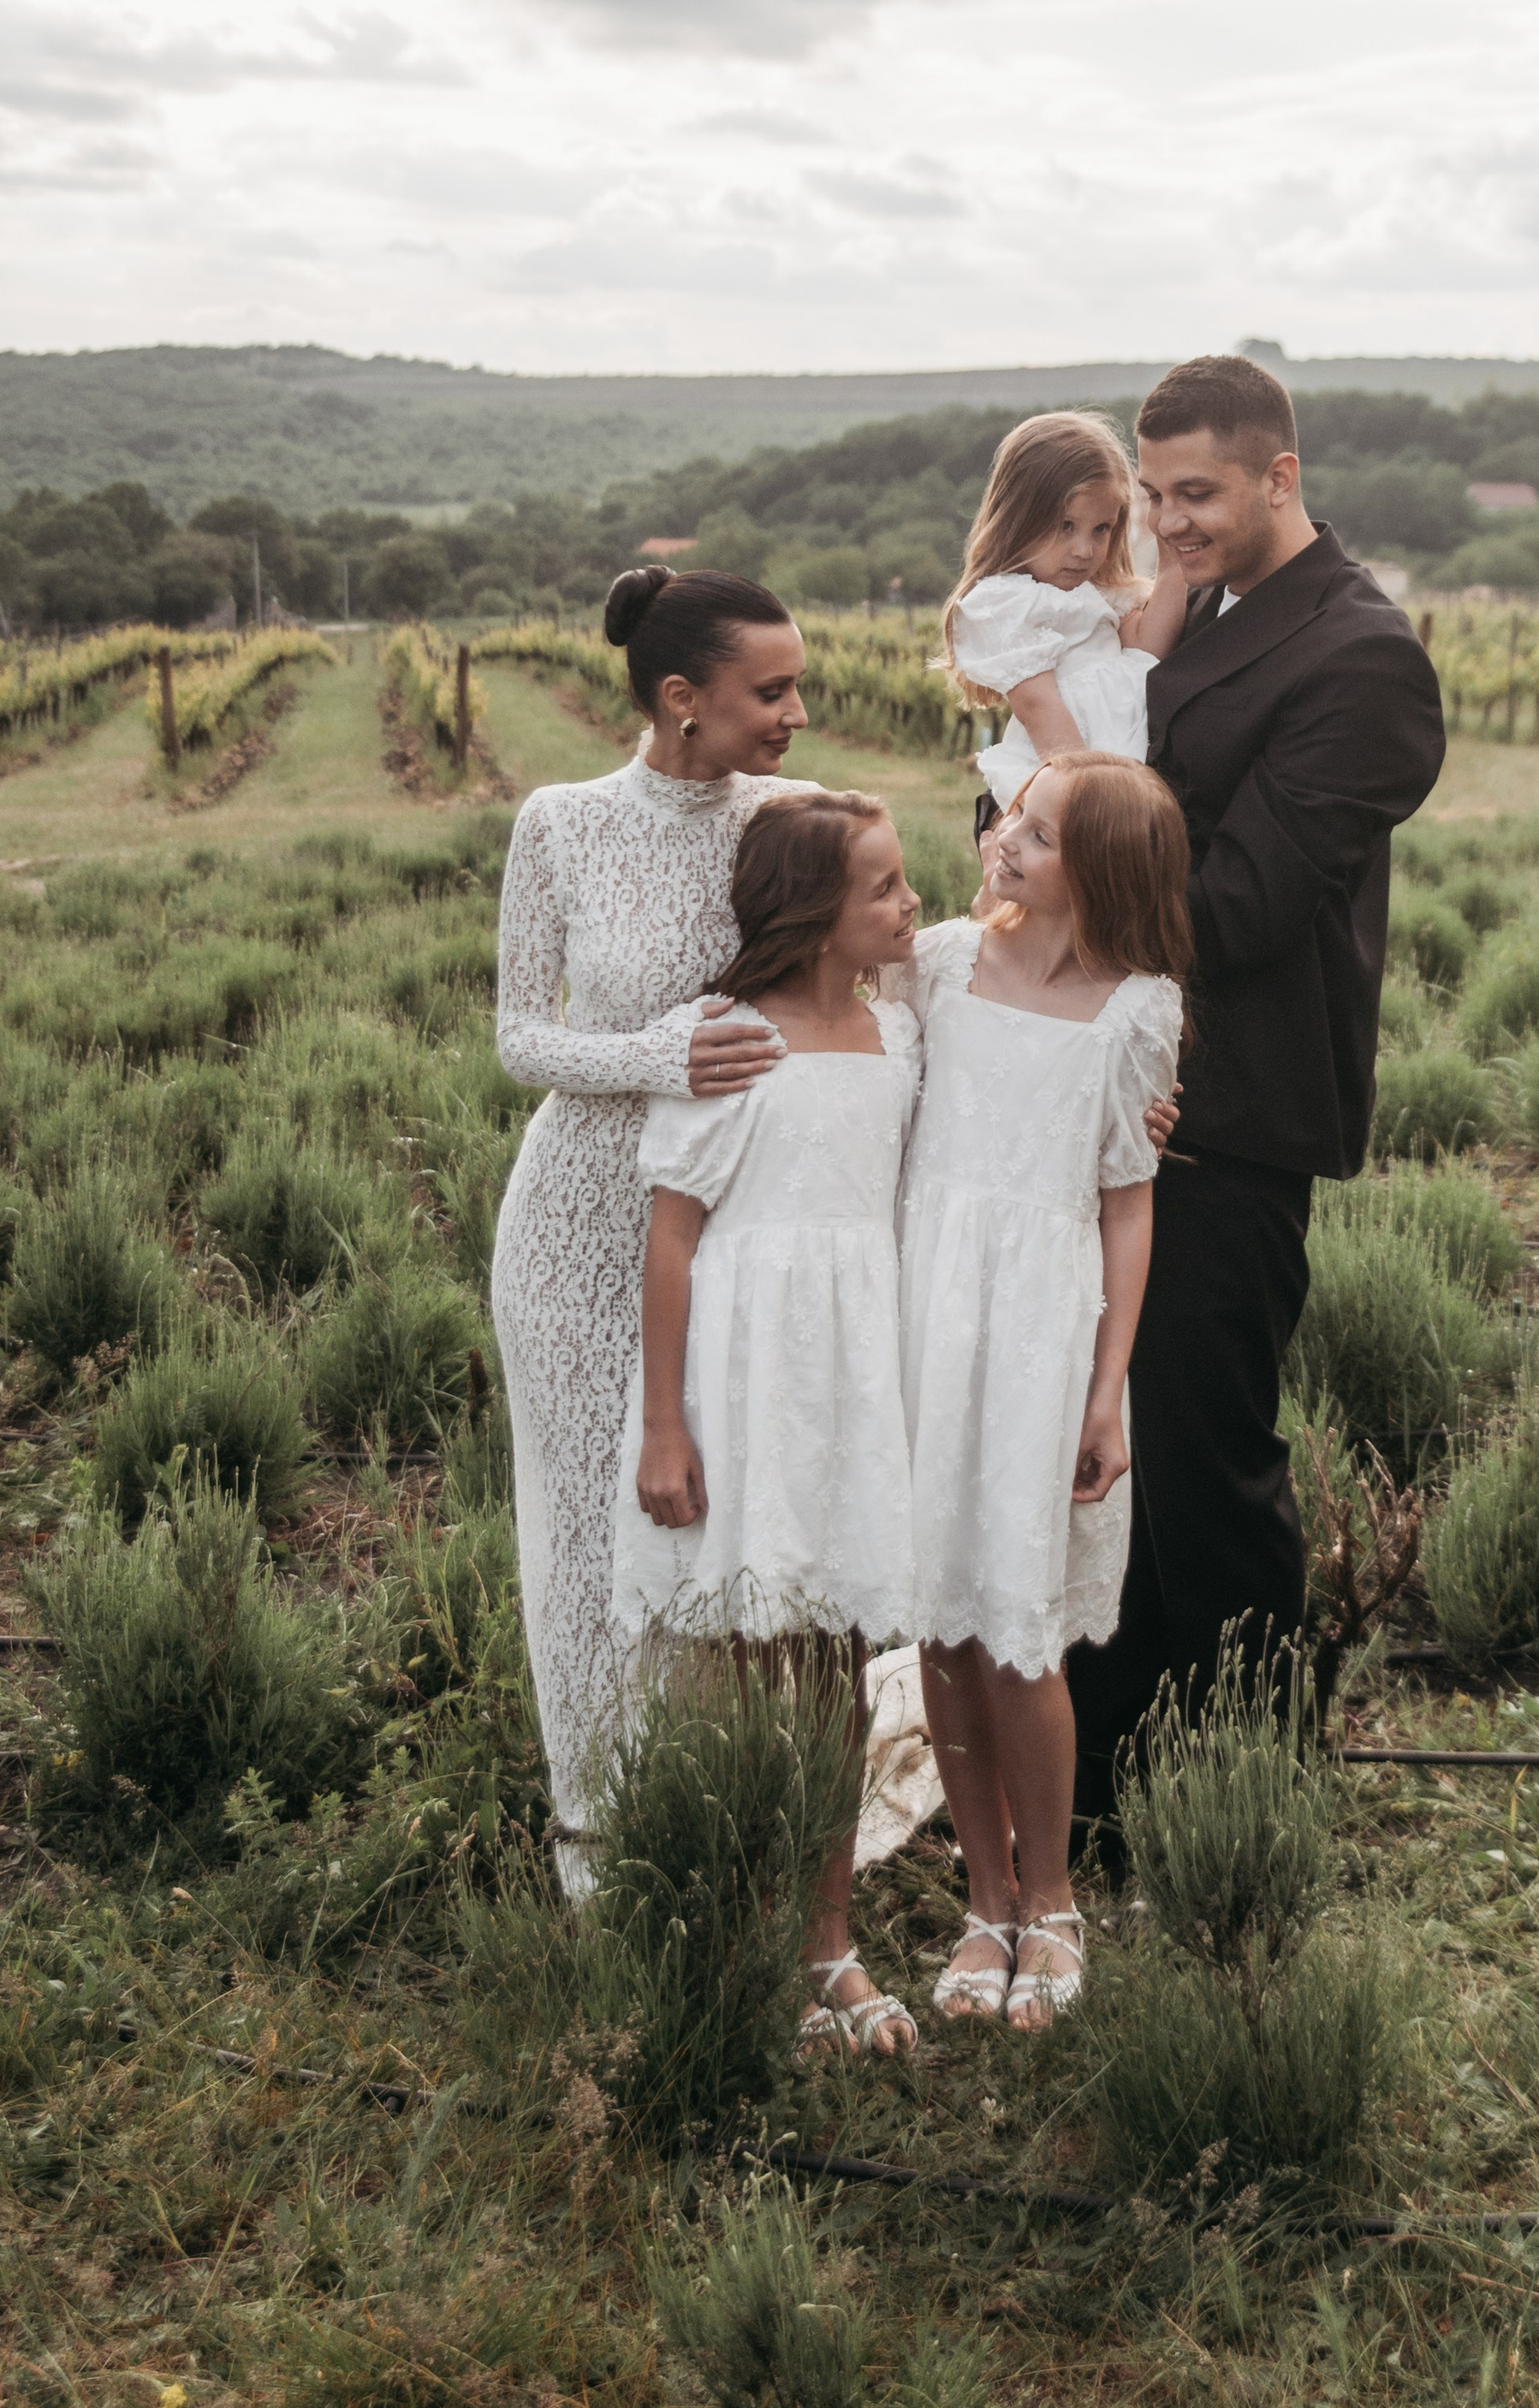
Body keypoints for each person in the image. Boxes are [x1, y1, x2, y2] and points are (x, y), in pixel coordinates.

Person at [1065, 354, 1448, 1842]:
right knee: (1107, 1460)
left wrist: (1048, 876)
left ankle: (1238, 1798)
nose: (1167, 523)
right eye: (1152, 494)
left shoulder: (1361, 657)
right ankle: (1102, 1781)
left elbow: (1240, 905)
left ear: (1281, 476)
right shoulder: (1192, 612)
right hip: (1104, 1098)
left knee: (1207, 1464)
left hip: (1221, 1114)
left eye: (1197, 493)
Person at [491, 565, 811, 1896]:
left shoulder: (802, 820)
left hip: (744, 1230)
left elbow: (895, 978)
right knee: (579, 1533)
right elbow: (520, 1038)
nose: (798, 711)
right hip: (575, 1227)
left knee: (714, 1523)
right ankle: (592, 1839)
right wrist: (658, 1057)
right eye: (771, 689)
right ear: (681, 699)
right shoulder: (560, 823)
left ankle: (707, 1813)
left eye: (800, 684)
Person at [614, 787, 924, 2058]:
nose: (913, 905)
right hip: (749, 1371)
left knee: (842, 1658)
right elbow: (672, 1241)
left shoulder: (900, 1034)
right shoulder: (730, 1039)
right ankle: (739, 1927)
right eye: (887, 890)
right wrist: (665, 1429)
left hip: (857, 1368)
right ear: (814, 918)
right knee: (748, 1657)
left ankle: (829, 1935)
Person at [892, 751, 1188, 2027]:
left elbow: (1129, 1202)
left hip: (1040, 1333)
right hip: (923, 1310)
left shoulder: (1139, 1012)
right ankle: (985, 1899)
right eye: (1014, 813)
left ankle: (1054, 1898)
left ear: (1105, 872)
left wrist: (1106, 1386)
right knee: (946, 1626)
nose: (1007, 837)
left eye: (1044, 831)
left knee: (1020, 1629)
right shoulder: (941, 963)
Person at [941, 410, 1187, 834]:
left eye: (1101, 529)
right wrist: (1085, 805)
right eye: (1066, 526)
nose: (1084, 550)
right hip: (1068, 779)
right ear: (1020, 518)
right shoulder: (1008, 603)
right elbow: (1040, 710)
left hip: (1118, 775)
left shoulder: (1100, 594)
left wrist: (1174, 555)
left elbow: (1147, 649)